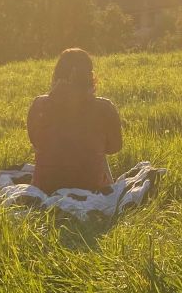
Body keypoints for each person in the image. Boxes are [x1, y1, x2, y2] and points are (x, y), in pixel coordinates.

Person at [27, 48, 123, 194]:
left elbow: (35, 141)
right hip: (92, 187)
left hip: (46, 188)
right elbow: (114, 147)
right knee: (98, 150)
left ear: (55, 76)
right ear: (90, 77)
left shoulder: (39, 105)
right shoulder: (104, 107)